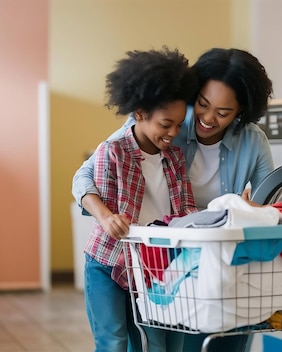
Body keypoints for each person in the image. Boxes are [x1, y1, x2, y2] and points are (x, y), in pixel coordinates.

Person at [73, 47, 274, 352]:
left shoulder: (251, 141)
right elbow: (85, 176)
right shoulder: (165, 121)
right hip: (164, 257)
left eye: (223, 113)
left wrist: (252, 210)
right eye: (202, 105)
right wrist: (104, 215)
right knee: (146, 339)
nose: (206, 118)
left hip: (214, 258)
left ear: (241, 112)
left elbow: (265, 205)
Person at [81, 47, 199, 352]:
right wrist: (110, 218)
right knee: (113, 343)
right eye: (165, 124)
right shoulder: (113, 151)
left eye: (178, 124)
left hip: (153, 265)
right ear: (140, 114)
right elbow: (107, 211)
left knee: (154, 344)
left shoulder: (174, 157)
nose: (173, 132)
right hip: (108, 262)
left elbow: (186, 208)